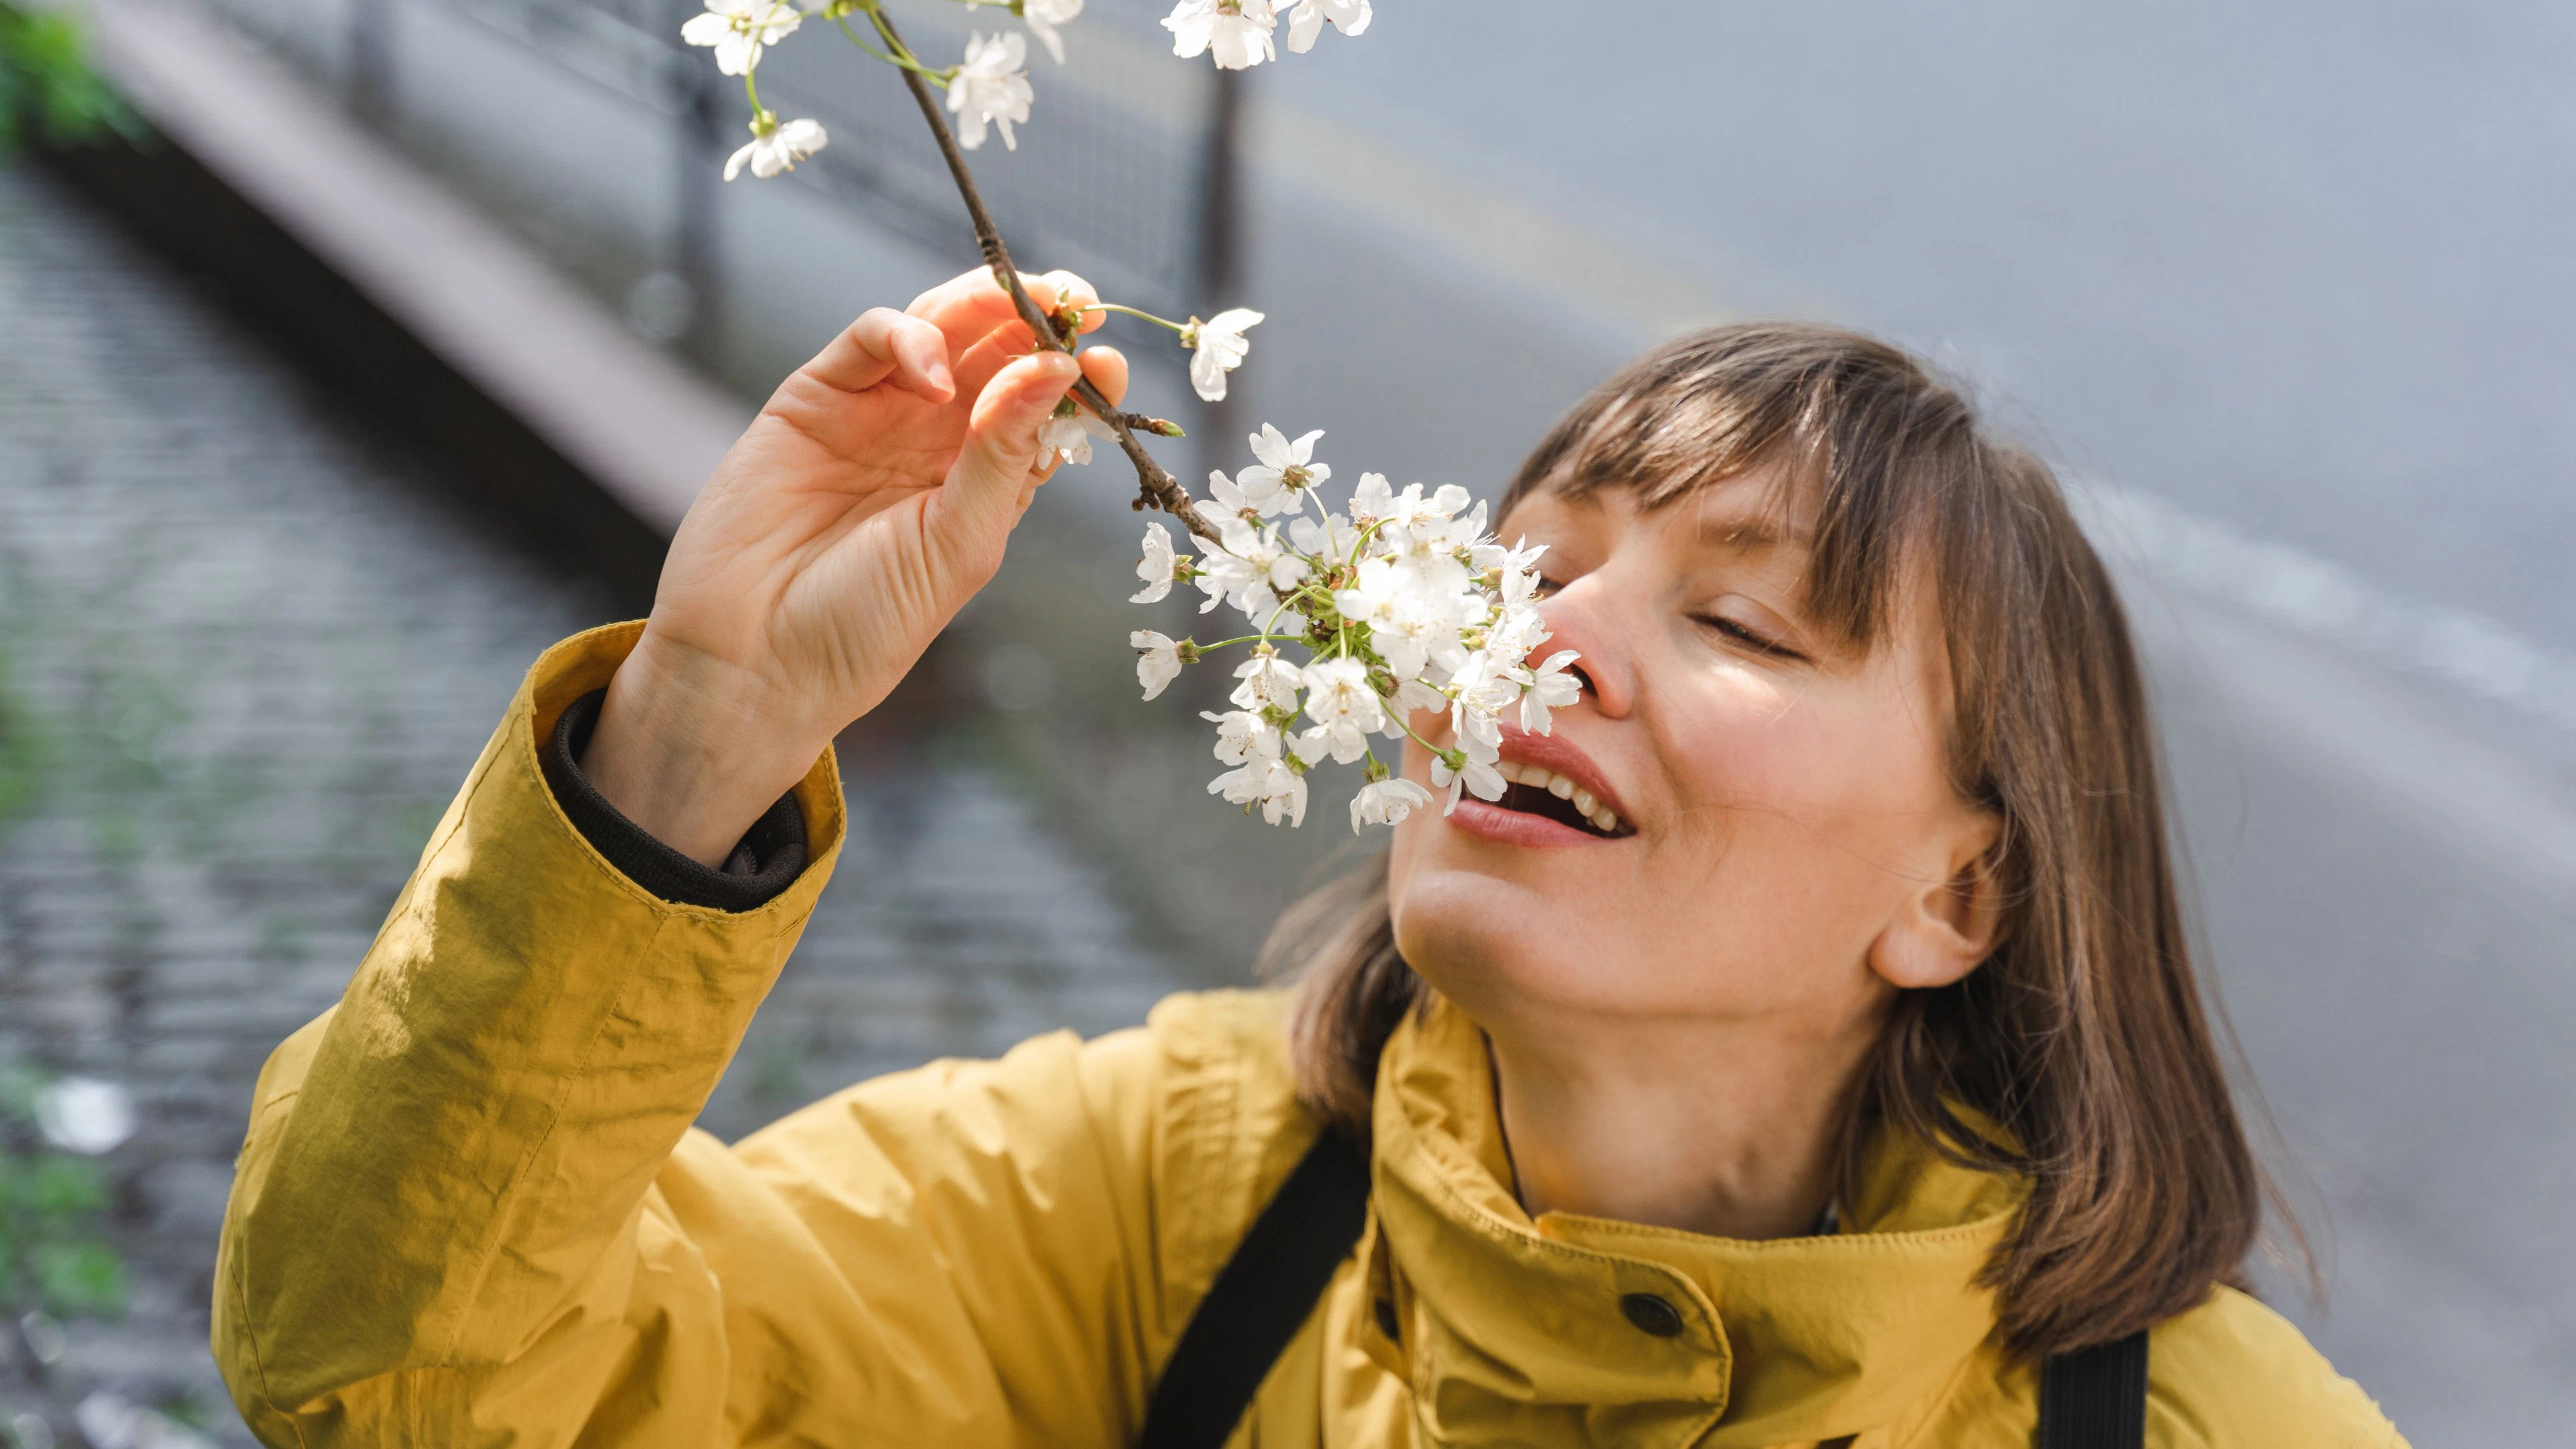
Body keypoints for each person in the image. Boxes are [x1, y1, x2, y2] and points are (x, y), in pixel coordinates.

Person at [209, 267, 2406, 1447]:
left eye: (1737, 622)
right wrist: (700, 727)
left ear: (1962, 896)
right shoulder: (1178, 1200)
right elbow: (394, 1380)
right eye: (1522, 567)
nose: (1543, 645)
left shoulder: (2208, 1429)